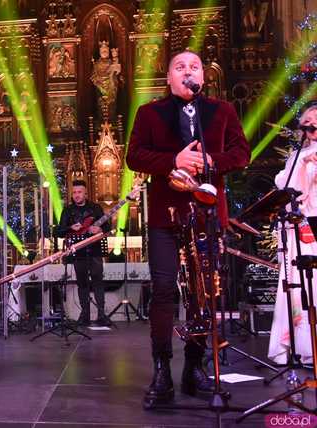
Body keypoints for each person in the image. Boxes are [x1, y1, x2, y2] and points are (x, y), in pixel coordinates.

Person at [126, 50, 250, 408]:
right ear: (168, 78)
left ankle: (194, 366)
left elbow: (242, 153)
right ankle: (161, 369)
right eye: (179, 67)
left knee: (204, 293)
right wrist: (172, 162)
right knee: (164, 291)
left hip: (208, 215)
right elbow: (134, 156)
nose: (187, 72)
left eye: (193, 67)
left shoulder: (222, 111)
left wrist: (212, 161)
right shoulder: (149, 113)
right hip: (167, 216)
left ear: (203, 77)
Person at [268, 104, 317, 365]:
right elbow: (289, 191)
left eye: (315, 120)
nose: (311, 124)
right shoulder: (296, 156)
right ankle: (303, 347)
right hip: (300, 229)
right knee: (298, 287)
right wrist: (303, 165)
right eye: (307, 120)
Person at [54, 180, 112, 327]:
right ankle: (84, 314)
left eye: (79, 192)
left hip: (95, 250)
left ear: (85, 193)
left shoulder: (95, 208)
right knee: (82, 283)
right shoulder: (68, 210)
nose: (76, 195)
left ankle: (101, 314)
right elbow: (58, 232)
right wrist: (70, 228)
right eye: (74, 193)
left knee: (98, 281)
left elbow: (107, 226)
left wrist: (100, 230)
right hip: (78, 252)